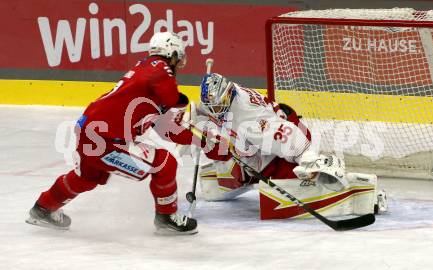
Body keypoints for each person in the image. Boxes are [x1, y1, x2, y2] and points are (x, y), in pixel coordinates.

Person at [26, 32, 198, 235]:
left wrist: (198, 135)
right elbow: (171, 97)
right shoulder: (159, 67)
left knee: (86, 178)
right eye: (179, 57)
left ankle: (43, 208)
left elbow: (166, 126)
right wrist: (184, 102)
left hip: (89, 131)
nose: (180, 64)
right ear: (172, 52)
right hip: (106, 140)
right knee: (165, 164)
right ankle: (167, 217)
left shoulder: (144, 74)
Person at [191, 73, 388, 214]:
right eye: (211, 106)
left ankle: (362, 192)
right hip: (265, 145)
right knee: (236, 168)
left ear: (228, 95)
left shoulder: (250, 119)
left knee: (296, 179)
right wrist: (195, 115)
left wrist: (308, 160)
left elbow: (290, 138)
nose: (214, 109)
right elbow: (205, 110)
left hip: (287, 147)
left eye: (217, 105)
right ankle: (248, 171)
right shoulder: (225, 99)